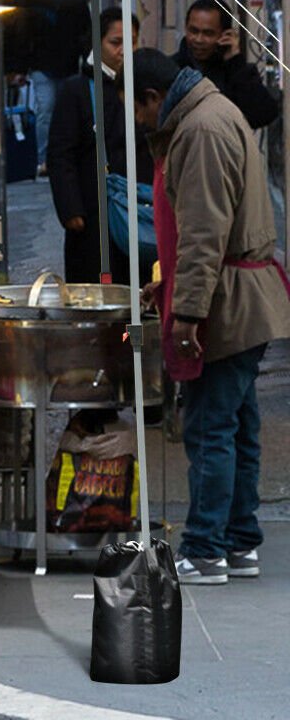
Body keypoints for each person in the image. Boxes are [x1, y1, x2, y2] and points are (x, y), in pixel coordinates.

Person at [128, 49, 290, 585]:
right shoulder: (213, 113)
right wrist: (166, 285)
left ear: (153, 98)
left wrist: (188, 314)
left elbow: (204, 233)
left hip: (228, 304)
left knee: (209, 427)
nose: (139, 122)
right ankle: (239, 540)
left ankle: (205, 548)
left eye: (138, 110)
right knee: (238, 424)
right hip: (244, 293)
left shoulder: (198, 131)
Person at [47, 7, 152, 284]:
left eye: (131, 43)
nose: (123, 51)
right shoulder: (76, 90)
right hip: (92, 213)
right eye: (115, 43)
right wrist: (71, 209)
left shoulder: (142, 86)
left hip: (139, 208)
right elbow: (61, 153)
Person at [175, 0, 278, 130]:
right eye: (193, 31)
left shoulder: (235, 72)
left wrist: (234, 61)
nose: (198, 39)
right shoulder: (172, 69)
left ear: (225, 34)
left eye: (208, 33)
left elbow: (262, 115)